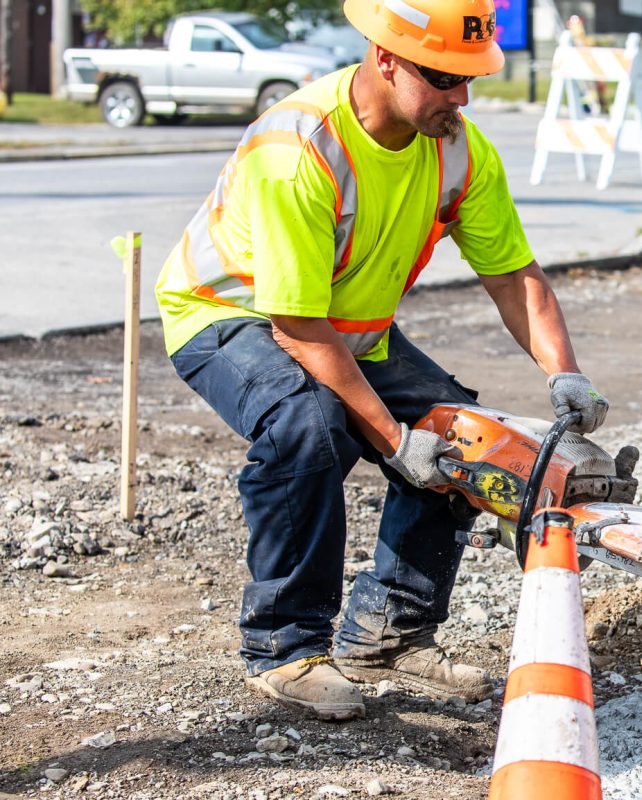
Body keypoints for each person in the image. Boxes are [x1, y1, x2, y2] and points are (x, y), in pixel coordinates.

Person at [154, 0, 608, 721]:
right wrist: (397, 444)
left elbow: (514, 274)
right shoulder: (299, 148)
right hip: (229, 315)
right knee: (311, 427)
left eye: (471, 78)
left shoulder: (456, 147)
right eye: (444, 77)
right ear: (386, 56)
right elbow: (297, 326)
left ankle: (389, 633)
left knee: (463, 433)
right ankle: (286, 648)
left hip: (346, 328)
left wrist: (564, 372)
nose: (461, 98)